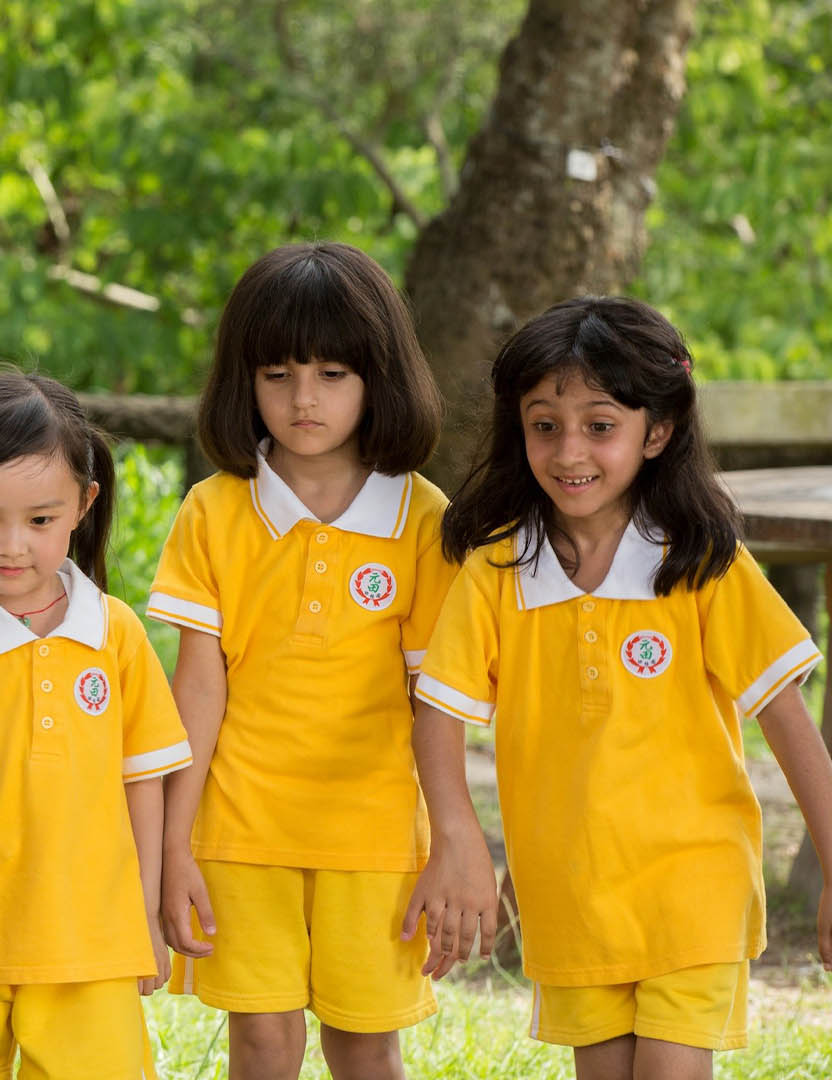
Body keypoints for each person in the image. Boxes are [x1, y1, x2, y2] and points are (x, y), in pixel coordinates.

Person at [412, 296, 832, 1080]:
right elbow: (438, 714)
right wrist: (457, 839)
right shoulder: (497, 571)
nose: (570, 450)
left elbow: (788, 724)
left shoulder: (702, 563)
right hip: (569, 898)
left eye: (600, 426)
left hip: (693, 890)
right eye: (545, 425)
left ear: (658, 431)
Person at [146, 243, 454, 1079]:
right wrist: (174, 849)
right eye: (277, 373)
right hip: (241, 834)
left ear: (378, 379)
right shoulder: (212, 512)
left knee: (365, 1044)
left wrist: (455, 843)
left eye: (331, 373)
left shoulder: (424, 519)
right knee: (263, 1042)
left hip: (378, 839)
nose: (303, 399)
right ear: (242, 381)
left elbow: (439, 701)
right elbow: (197, 692)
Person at [0, 371, 191, 1079]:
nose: (12, 546)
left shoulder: (117, 634)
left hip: (92, 946)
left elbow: (144, 782)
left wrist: (143, 917)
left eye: (40, 521)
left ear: (83, 504)